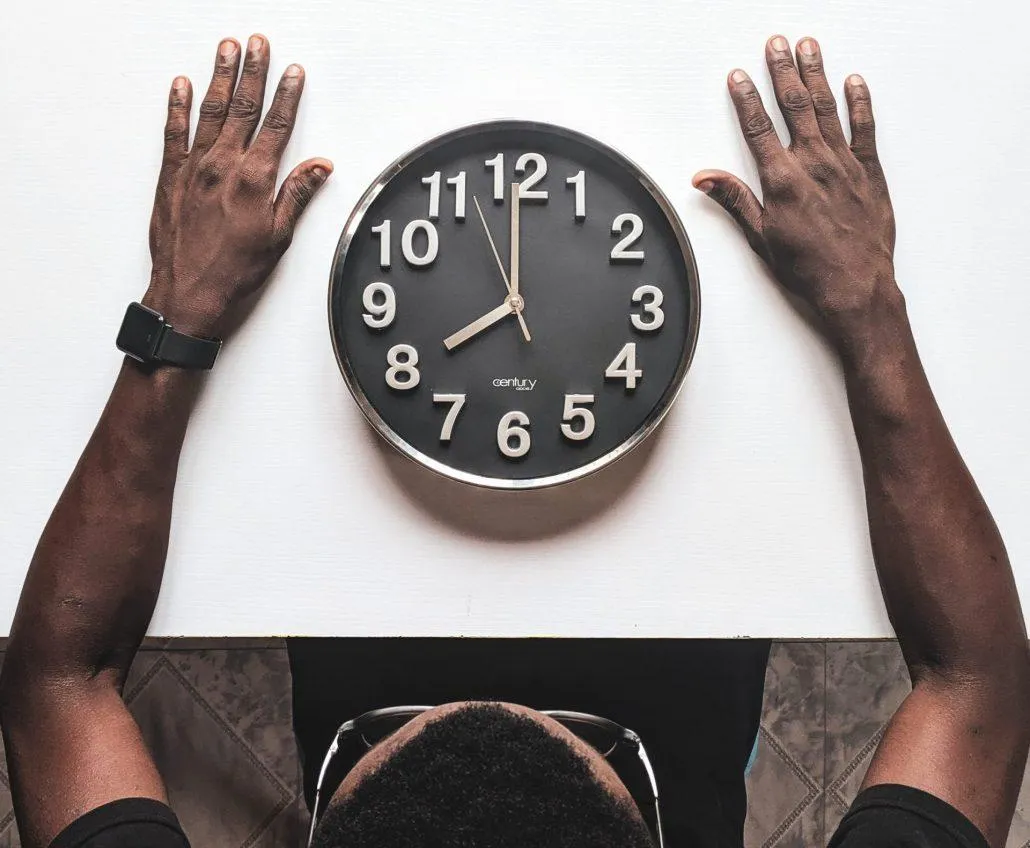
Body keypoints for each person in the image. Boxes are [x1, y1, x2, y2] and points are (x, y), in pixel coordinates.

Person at [0, 30, 1027, 848]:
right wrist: (869, 306)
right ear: (632, 807)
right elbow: (979, 675)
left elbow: (57, 674)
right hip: (685, 696)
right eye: (575, 742)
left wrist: (175, 312)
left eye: (394, 743)